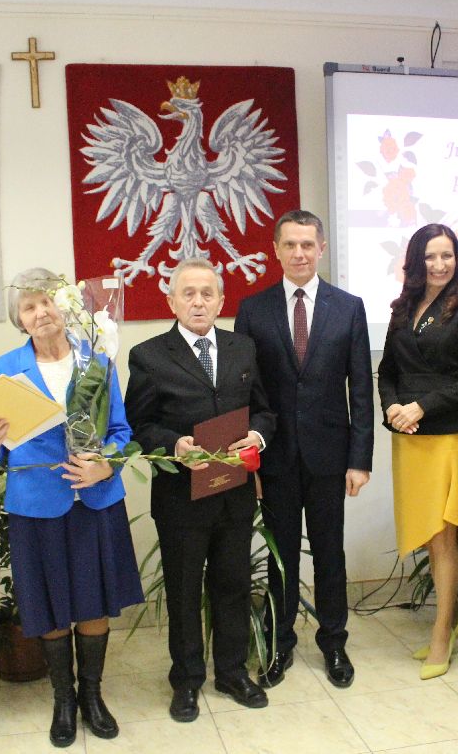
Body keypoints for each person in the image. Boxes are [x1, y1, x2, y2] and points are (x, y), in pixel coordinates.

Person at [0, 269, 144, 748]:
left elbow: (122, 432)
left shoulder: (98, 359)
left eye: (47, 301)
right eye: (29, 307)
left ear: (65, 305)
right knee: (49, 608)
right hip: (35, 505)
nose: (40, 312)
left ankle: (92, 695)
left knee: (94, 601)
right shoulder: (3, 369)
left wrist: (106, 466)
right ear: (20, 320)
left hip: (94, 499)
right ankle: (63, 700)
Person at [125, 258, 277, 722]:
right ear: (171, 301)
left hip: (233, 493)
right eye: (187, 293)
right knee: (185, 591)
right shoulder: (149, 355)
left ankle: (231, 672)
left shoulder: (243, 348)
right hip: (180, 499)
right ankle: (187, 680)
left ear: (221, 300)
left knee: (233, 585)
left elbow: (264, 410)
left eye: (207, 293)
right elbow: (138, 424)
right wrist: (174, 444)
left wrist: (257, 435)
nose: (198, 302)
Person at [234, 210, 374, 689]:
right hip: (274, 458)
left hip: (330, 457)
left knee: (330, 554)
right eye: (290, 245)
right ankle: (280, 643)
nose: (299, 253)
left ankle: (334, 642)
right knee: (282, 557)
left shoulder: (349, 307)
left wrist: (360, 459)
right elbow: (245, 392)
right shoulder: (253, 309)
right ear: (275, 249)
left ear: (322, 249)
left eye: (307, 245)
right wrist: (249, 464)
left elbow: (360, 389)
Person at [377, 222, 458, 681]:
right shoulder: (403, 309)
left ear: (457, 260)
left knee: (444, 535)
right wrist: (391, 408)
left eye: (447, 256)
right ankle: (452, 618)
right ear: (416, 262)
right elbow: (387, 371)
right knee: (428, 533)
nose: (439, 264)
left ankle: (443, 631)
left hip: (445, 434)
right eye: (430, 256)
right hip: (407, 435)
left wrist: (421, 406)